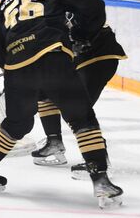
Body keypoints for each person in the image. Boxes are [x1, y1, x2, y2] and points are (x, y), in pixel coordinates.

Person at [0, 0, 123, 209]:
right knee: (81, 117)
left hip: (17, 66)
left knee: (17, 123)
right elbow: (94, 5)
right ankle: (101, 181)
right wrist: (81, 35)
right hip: (52, 58)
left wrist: (17, 69)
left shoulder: (4, 5)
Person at [31, 16, 127, 176]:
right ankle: (54, 142)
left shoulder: (56, 3)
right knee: (44, 93)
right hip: (84, 58)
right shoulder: (48, 3)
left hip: (98, 58)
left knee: (79, 110)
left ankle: (99, 162)